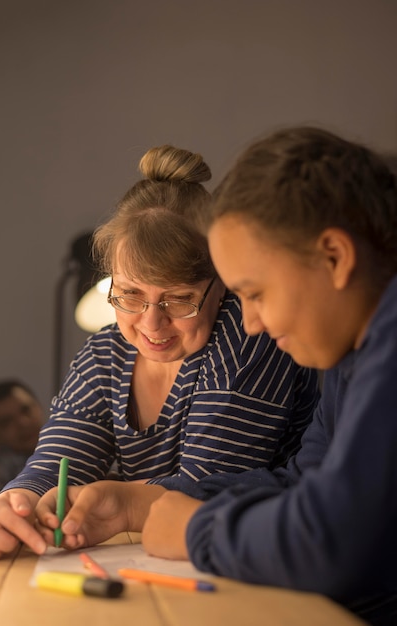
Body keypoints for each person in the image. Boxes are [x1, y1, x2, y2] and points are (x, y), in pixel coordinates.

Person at [35, 127, 397, 626]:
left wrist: (194, 528)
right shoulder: (347, 358)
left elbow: (330, 540)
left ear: (334, 257)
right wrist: (138, 507)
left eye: (255, 292)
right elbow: (302, 482)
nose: (250, 322)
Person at [0, 144, 319, 561]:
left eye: (179, 299)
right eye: (129, 295)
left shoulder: (247, 338)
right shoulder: (104, 353)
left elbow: (205, 487)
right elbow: (57, 463)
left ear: (222, 282)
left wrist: (121, 502)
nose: (150, 324)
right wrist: (15, 502)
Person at [0, 380, 45, 497]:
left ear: (39, 407)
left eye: (26, 410)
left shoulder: (76, 446)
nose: (23, 423)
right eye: (6, 422)